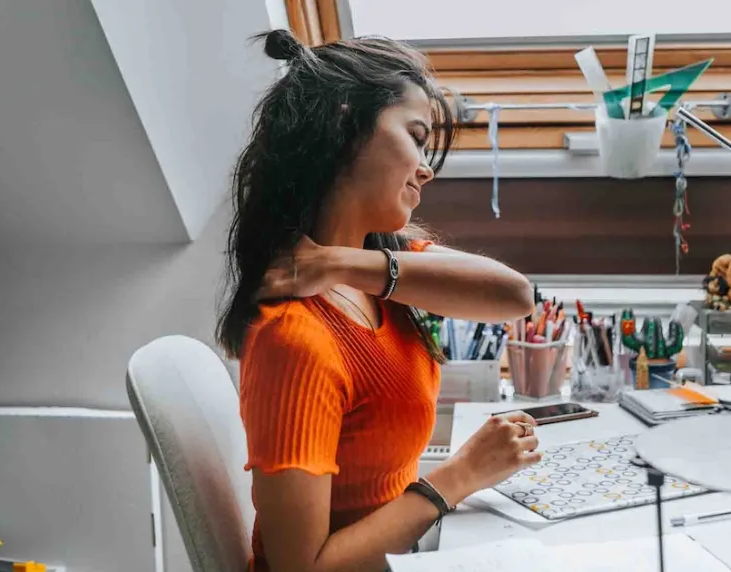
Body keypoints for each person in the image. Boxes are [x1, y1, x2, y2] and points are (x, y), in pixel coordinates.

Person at [217, 28, 542, 572]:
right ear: (345, 124)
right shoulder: (295, 338)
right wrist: (459, 476)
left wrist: (341, 263)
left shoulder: (381, 265)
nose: (426, 167)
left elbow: (515, 295)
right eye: (415, 136)